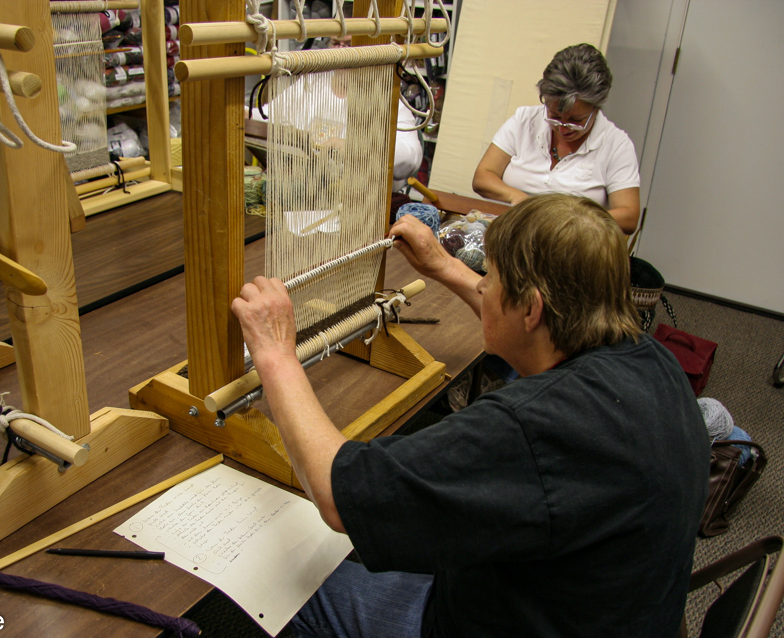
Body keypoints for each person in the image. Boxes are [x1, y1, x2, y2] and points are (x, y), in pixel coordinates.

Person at [231, 193, 710, 638]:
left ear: (532, 308)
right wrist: (442, 265)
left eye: (492, 277)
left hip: (485, 622)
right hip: (602, 609)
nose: (482, 283)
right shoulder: (650, 360)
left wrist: (276, 353)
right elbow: (530, 324)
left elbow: (338, 496)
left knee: (280, 584)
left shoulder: (531, 429)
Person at [473, 44, 641, 234]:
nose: (563, 127)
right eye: (554, 116)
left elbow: (629, 216)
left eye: (576, 121)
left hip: (570, 242)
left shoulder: (616, 144)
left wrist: (569, 217)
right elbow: (483, 177)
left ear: (596, 108)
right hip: (512, 232)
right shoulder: (525, 121)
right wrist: (518, 198)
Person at [249, 33, 423, 192]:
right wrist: (239, 115)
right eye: (335, 43)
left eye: (348, 45)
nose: (341, 51)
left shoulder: (385, 99)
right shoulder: (311, 83)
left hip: (359, 199)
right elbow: (268, 115)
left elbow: (411, 156)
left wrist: (355, 148)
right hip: (308, 192)